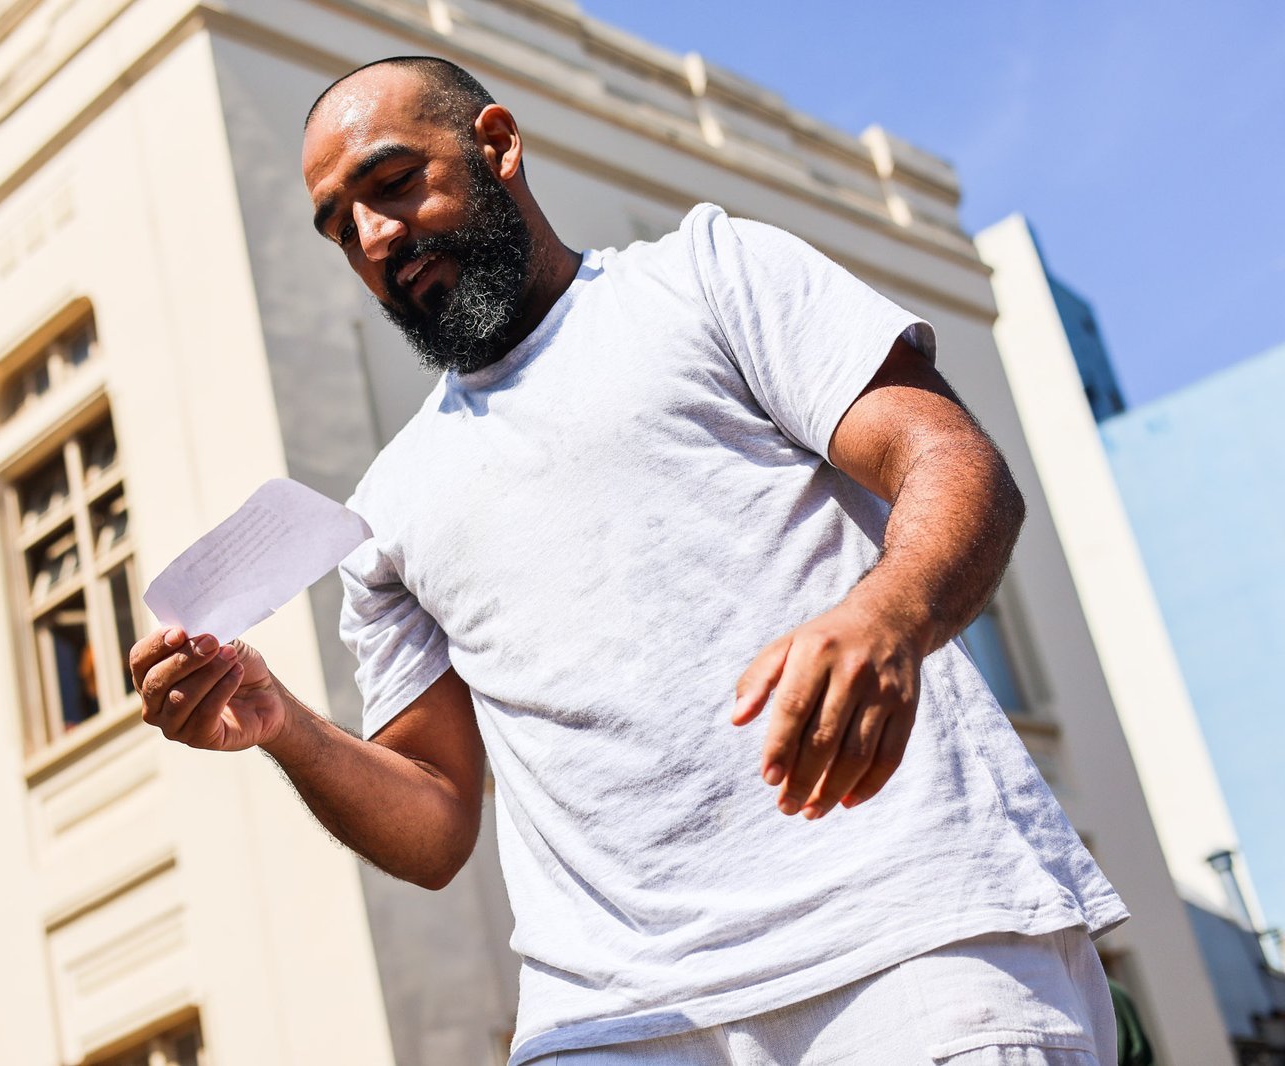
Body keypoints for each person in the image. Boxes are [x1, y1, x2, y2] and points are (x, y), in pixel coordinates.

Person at [132, 56, 1128, 1065]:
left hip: (909, 939)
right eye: (342, 228)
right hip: (608, 1018)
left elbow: (952, 460)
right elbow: (434, 821)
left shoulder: (707, 274)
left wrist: (889, 617)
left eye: (392, 183)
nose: (376, 237)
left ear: (496, 145)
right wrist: (282, 723)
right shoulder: (384, 510)